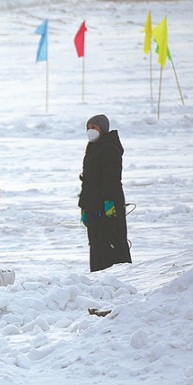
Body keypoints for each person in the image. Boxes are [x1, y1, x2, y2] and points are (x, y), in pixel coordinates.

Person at [78, 114, 131, 272]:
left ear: (102, 129)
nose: (90, 131)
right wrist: (83, 206)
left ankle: (122, 274)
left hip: (109, 201)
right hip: (93, 202)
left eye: (93, 128)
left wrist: (110, 201)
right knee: (96, 241)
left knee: (113, 238)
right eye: (88, 128)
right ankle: (98, 275)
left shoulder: (110, 149)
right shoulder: (92, 149)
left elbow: (112, 179)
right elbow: (86, 180)